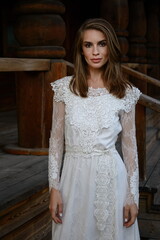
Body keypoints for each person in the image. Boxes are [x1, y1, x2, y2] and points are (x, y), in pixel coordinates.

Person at [48, 18, 141, 240]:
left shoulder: (125, 93)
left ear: (111, 47)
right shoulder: (64, 89)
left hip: (111, 179)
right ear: (81, 50)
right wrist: (54, 188)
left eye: (102, 44)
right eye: (88, 45)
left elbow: (130, 150)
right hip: (73, 178)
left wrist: (132, 196)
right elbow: (55, 143)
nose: (95, 51)